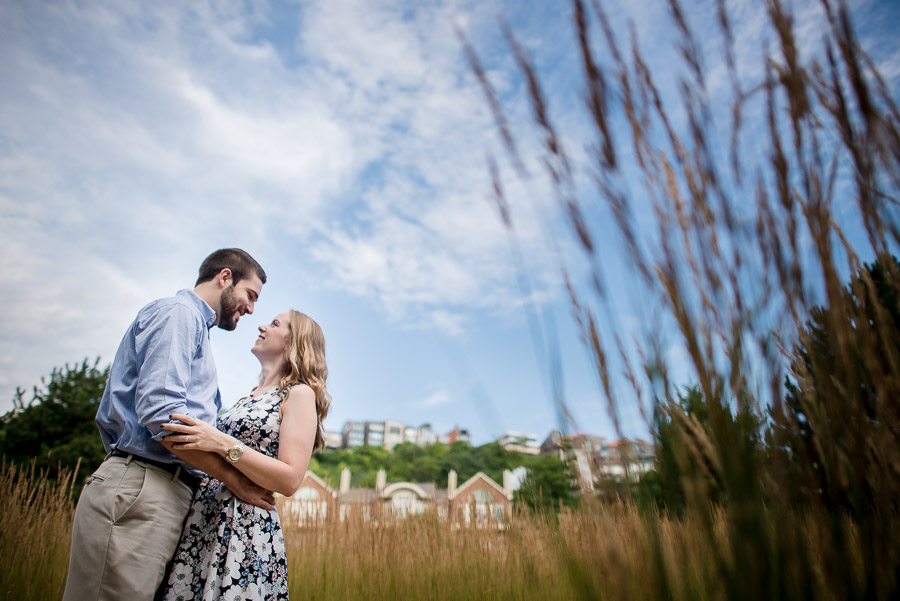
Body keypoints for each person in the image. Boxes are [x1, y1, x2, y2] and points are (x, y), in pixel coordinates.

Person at [63, 248, 271, 601]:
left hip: (159, 492)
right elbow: (162, 414)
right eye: (250, 295)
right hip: (144, 486)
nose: (251, 309)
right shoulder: (179, 315)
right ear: (224, 278)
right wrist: (233, 477)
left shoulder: (195, 329)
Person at [159, 310, 331, 601]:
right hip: (205, 519)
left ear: (295, 342)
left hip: (244, 525)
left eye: (275, 324)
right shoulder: (247, 397)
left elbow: (290, 479)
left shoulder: (299, 394)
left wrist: (222, 443)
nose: (262, 326)